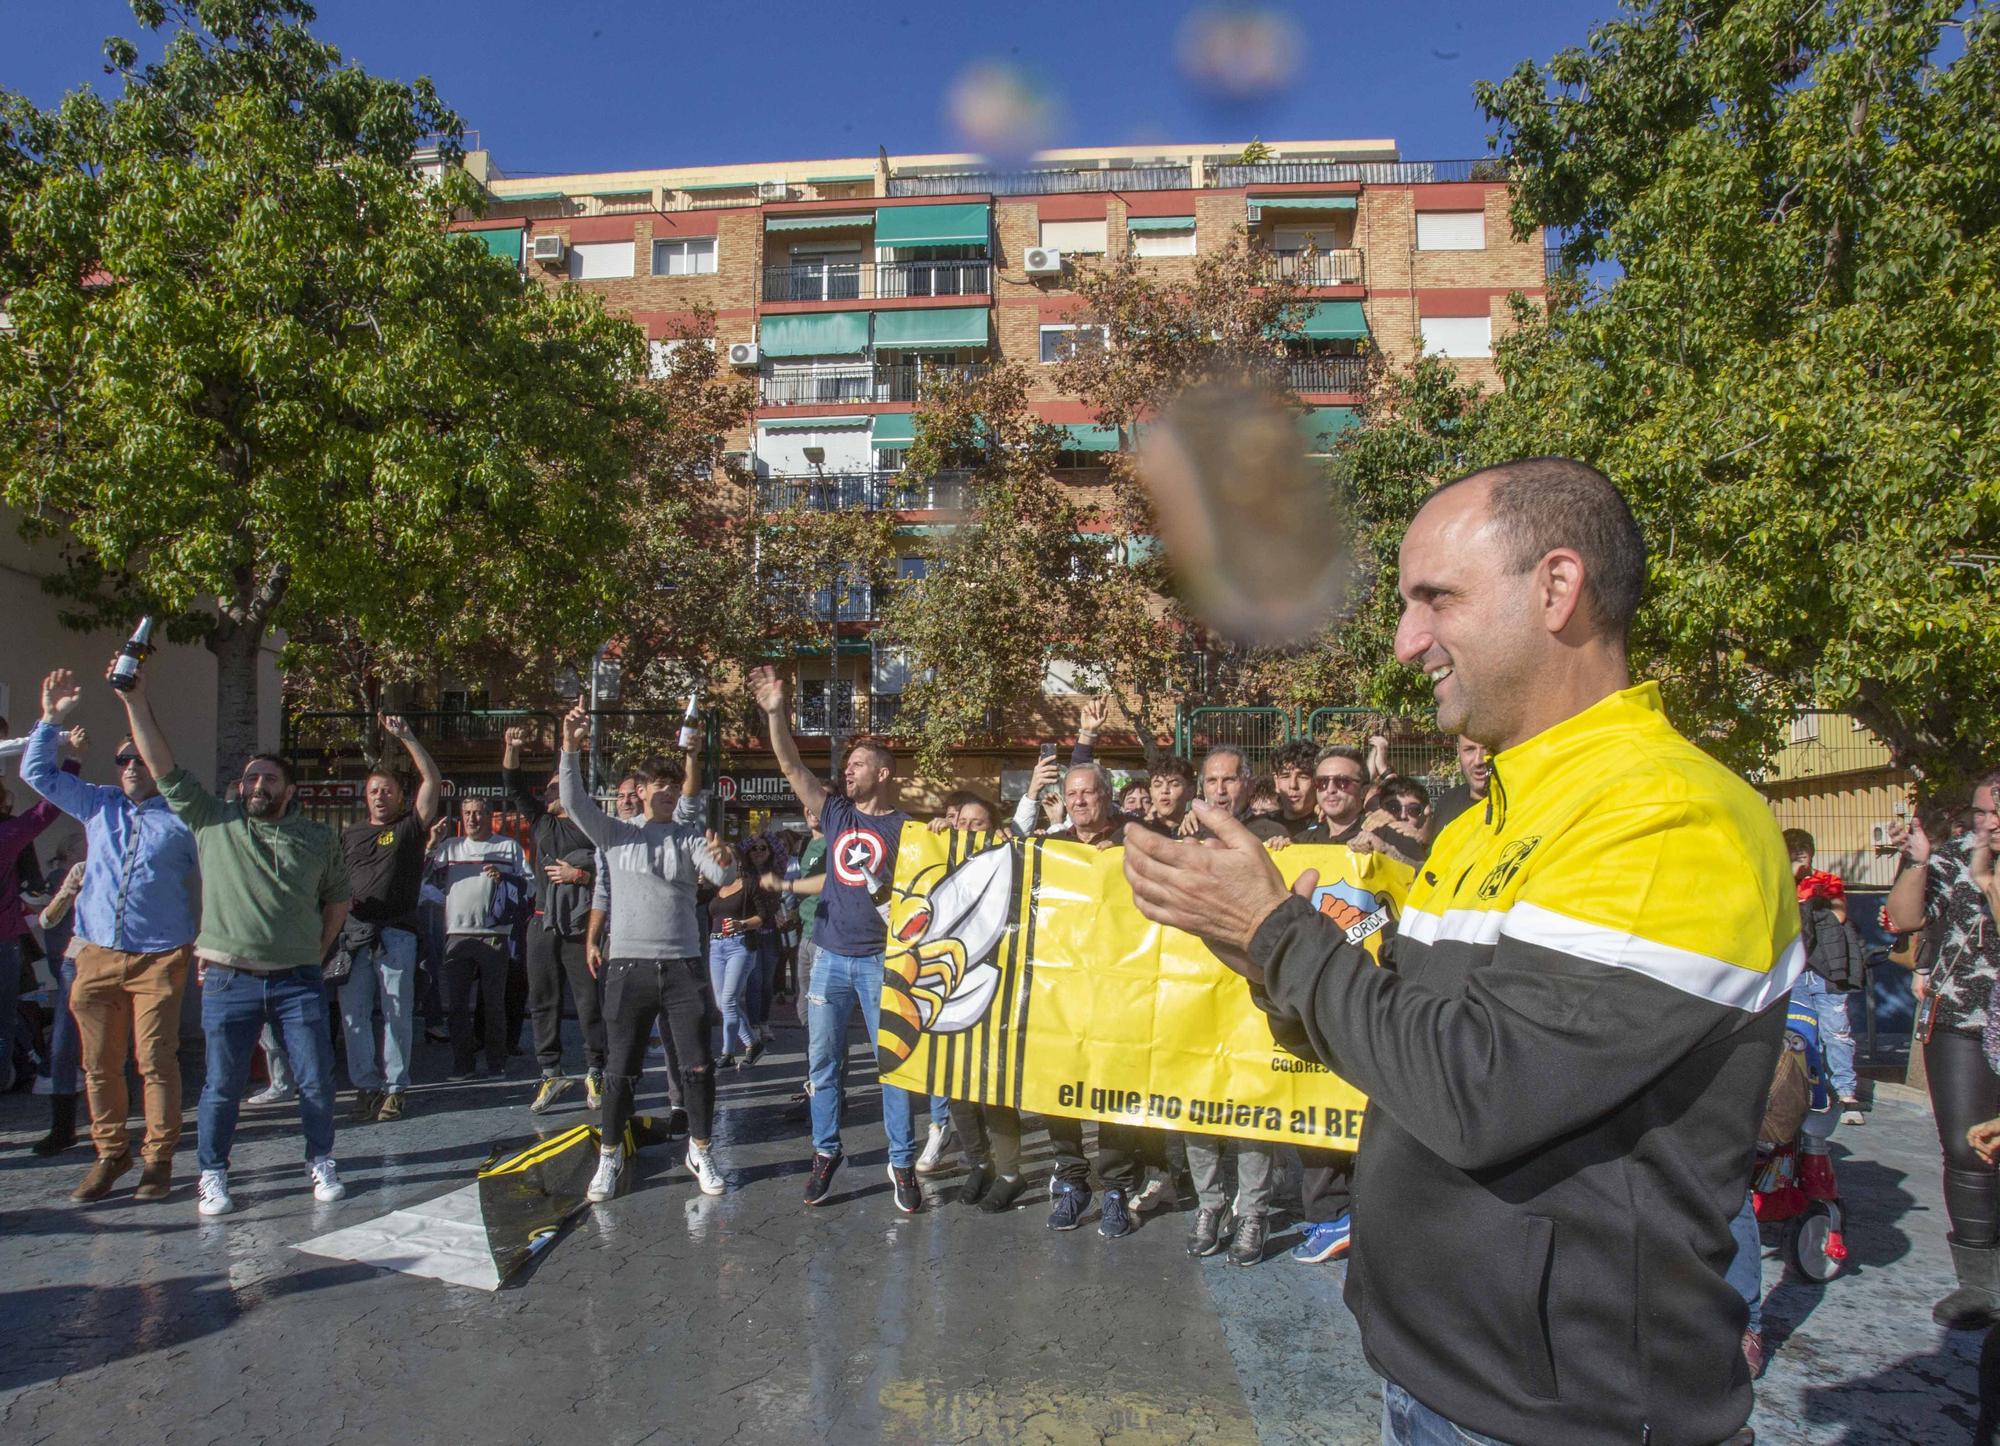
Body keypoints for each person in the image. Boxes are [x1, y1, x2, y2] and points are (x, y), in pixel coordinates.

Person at [1123, 457, 1800, 1445]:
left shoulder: (1667, 817)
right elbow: (1399, 1044)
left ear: (1556, 589)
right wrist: (1263, 956)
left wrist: (1277, 933)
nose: (1405, 642)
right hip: (1439, 1376)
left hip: (1569, 1413)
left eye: (1432, 599)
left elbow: (1477, 1092)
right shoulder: (1482, 825)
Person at [113, 659, 354, 1218]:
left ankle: (320, 1159)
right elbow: (162, 763)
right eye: (251, 777)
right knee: (221, 1087)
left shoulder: (318, 836)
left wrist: (313, 955)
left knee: (317, 1083)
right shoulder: (212, 820)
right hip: (228, 978)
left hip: (298, 981)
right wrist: (134, 700)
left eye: (270, 778)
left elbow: (338, 901)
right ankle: (213, 1174)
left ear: (289, 790)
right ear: (239, 785)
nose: (259, 785)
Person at [747, 664, 921, 1214]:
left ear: (885, 772)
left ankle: (902, 1162)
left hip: (881, 964)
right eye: (845, 767)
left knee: (893, 1066)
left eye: (859, 765)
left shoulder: (908, 831)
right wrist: (776, 713)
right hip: (827, 959)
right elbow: (790, 764)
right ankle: (825, 1153)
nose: (848, 773)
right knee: (822, 1066)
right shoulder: (837, 814)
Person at [21, 675, 195, 1200]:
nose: (131, 767)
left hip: (160, 956)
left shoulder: (185, 819)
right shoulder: (98, 804)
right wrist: (50, 721)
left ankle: (158, 1159)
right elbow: (36, 772)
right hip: (95, 954)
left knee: (155, 1061)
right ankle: (110, 1152)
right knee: (97, 1064)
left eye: (140, 758)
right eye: (124, 760)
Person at [557, 703, 733, 1202]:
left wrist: (724, 858)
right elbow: (573, 801)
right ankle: (610, 1154)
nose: (668, 790)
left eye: (674, 784)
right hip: (627, 967)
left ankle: (701, 1147)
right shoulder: (614, 834)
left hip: (682, 968)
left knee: (697, 1067)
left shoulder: (688, 834)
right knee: (620, 1071)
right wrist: (570, 745)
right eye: (659, 783)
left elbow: (721, 876)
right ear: (642, 791)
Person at [1887, 770, 2000, 1329]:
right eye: (1980, 812)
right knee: (1967, 1148)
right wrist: (1918, 860)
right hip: (1961, 1017)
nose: (1987, 823)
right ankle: (1977, 1284)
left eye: (1996, 814)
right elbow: (1906, 920)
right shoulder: (1957, 856)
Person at [1179, 746, 1279, 1265]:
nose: (1221, 789)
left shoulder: (1273, 839)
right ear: (1202, 786)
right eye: (1212, 780)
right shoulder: (1182, 840)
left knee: (1251, 1102)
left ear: (1246, 785)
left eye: (1230, 780)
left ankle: (1254, 1210)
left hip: (1250, 992)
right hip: (1194, 994)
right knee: (1197, 1101)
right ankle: (1209, 1204)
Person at [337, 715, 443, 1124]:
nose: (380, 796)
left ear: (400, 796)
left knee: (397, 1014)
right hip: (354, 936)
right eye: (374, 791)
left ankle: (396, 1088)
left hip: (396, 935)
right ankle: (366, 1086)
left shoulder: (409, 828)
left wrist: (407, 736)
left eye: (388, 790)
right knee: (354, 1015)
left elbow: (432, 782)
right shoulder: (349, 835)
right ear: (366, 797)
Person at [504, 725, 606, 1114]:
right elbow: (513, 786)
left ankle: (595, 1070)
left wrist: (579, 876)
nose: (546, 794)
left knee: (587, 1002)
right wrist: (511, 748)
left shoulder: (592, 826)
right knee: (542, 1001)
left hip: (580, 929)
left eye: (552, 788)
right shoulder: (543, 823)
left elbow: (612, 875)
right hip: (542, 923)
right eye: (546, 789)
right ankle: (551, 1072)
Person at [431, 795, 531, 1079]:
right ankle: (462, 1064)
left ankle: (495, 1062)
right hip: (457, 935)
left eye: (477, 813)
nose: (472, 819)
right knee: (458, 1006)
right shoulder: (450, 848)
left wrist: (504, 878)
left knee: (493, 1003)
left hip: (493, 935)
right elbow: (424, 877)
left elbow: (529, 884)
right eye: (467, 813)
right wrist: (431, 843)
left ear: (489, 816)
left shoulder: (508, 847)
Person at [1784, 828, 1867, 1124]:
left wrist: (1809, 900)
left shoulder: (1827, 882)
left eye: (1804, 851)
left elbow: (1838, 915)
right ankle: (1809, 1091)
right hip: (1793, 971)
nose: (1800, 858)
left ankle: (1846, 1093)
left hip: (1825, 970)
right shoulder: (1778, 883)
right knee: (1802, 1034)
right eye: (1793, 852)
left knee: (1836, 1030)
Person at [32, 843, 87, 1156]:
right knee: (64, 1043)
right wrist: (67, 890)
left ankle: (114, 1121)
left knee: (108, 1047)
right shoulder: (72, 875)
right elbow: (48, 922)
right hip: (77, 960)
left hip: (114, 958)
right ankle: (63, 1127)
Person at [703, 854, 768, 1068]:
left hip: (739, 944)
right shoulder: (714, 887)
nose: (721, 863)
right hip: (715, 945)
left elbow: (762, 916)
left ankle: (729, 1051)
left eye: (726, 859)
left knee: (729, 1000)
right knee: (722, 1003)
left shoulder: (748, 885)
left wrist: (742, 924)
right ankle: (750, 1045)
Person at [1426, 735, 1490, 838]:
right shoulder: (1447, 801)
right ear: (1458, 751)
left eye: (1487, 749)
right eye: (1469, 749)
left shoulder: (1514, 804)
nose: (1478, 761)